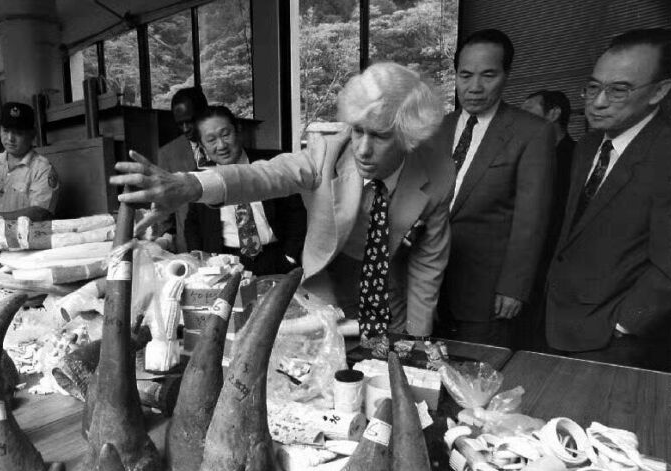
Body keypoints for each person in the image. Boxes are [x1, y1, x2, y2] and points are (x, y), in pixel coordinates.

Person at [113, 62, 455, 339]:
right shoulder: (330, 151)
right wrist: (191, 184)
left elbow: (428, 262)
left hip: (389, 288)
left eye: (380, 136)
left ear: (407, 136)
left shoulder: (439, 175)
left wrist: (418, 337)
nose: (362, 149)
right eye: (358, 130)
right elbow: (266, 174)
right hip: (327, 281)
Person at [545, 28, 671, 371]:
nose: (598, 102)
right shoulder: (588, 145)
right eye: (593, 87)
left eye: (618, 90)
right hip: (559, 320)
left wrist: (624, 325)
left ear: (660, 90)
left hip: (614, 339)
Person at [436, 29, 555, 348]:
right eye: (465, 75)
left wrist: (514, 286)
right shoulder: (438, 128)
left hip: (487, 291)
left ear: (506, 75)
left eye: (488, 75)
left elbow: (532, 220)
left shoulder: (532, 132)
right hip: (428, 283)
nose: (474, 87)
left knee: (479, 371)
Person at [185, 106, 306, 276]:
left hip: (276, 258)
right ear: (202, 146)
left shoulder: (271, 165)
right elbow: (193, 224)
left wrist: (290, 256)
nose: (221, 145)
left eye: (225, 134)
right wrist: (201, 262)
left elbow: (297, 213)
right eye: (211, 140)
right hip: (225, 263)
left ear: (238, 130)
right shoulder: (202, 180)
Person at [518, 90, 577, 349]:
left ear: (553, 113)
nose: (521, 118)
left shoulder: (577, 156)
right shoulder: (526, 153)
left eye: (528, 110)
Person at [0, 102, 58, 220]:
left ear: (32, 134)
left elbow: (40, 213)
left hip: (24, 232)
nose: (10, 138)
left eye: (18, 133)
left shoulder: (42, 169)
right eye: (5, 131)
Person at [157, 87, 211, 252]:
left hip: (229, 244)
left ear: (204, 113)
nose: (186, 128)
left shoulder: (224, 145)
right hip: (187, 248)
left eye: (191, 121)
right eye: (180, 124)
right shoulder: (168, 154)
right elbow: (165, 204)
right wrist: (166, 238)